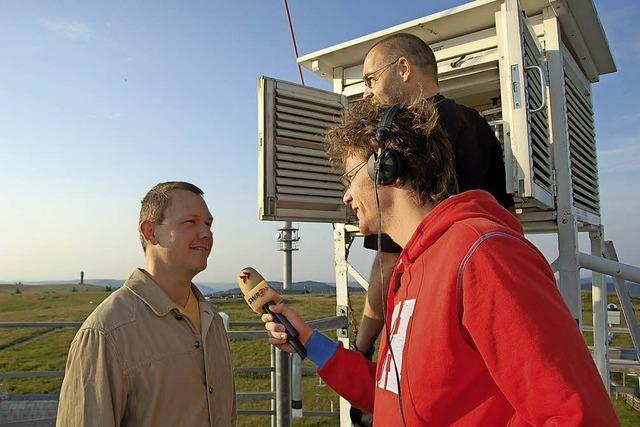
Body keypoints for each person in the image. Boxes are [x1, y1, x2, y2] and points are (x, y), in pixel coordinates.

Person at [261, 100, 619, 425]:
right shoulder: (413, 268)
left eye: (350, 177)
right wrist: (309, 340)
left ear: (386, 168)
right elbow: (397, 398)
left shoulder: (484, 254)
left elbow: (577, 415)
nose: (347, 194)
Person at [355, 33, 515, 369]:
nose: (366, 92)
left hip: (427, 321)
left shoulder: (394, 140)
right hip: (483, 315)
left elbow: (388, 263)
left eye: (370, 79)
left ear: (403, 68)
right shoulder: (479, 126)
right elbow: (508, 221)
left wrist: (363, 346)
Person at [57, 181, 236, 426]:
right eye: (190, 222)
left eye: (208, 224)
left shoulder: (211, 320)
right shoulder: (105, 334)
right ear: (150, 232)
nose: (206, 233)